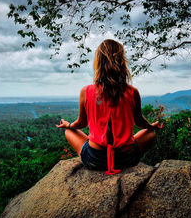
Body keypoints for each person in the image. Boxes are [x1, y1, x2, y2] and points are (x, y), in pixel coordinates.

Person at [56, 39, 162, 174]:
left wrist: (68, 125)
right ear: (121, 62)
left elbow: (80, 124)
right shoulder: (132, 92)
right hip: (126, 158)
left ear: (98, 63)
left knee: (69, 132)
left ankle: (97, 146)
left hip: (94, 158)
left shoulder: (86, 91)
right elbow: (140, 122)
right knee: (150, 133)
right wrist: (151, 126)